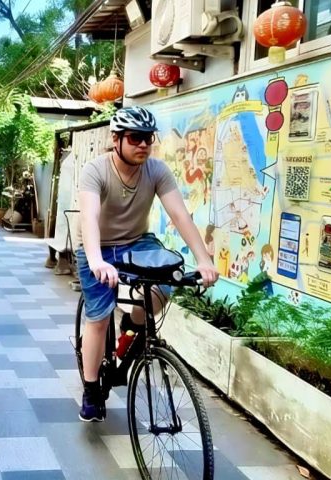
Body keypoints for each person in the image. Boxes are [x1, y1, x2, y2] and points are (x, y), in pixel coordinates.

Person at [75, 106, 218, 422]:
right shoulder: (95, 171)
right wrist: (97, 260)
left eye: (148, 139)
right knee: (98, 319)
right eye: (135, 138)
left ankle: (132, 326)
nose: (143, 145)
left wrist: (204, 260)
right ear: (117, 139)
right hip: (98, 247)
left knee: (163, 285)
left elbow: (179, 215)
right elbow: (90, 218)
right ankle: (90, 390)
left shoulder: (157, 171)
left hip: (137, 243)